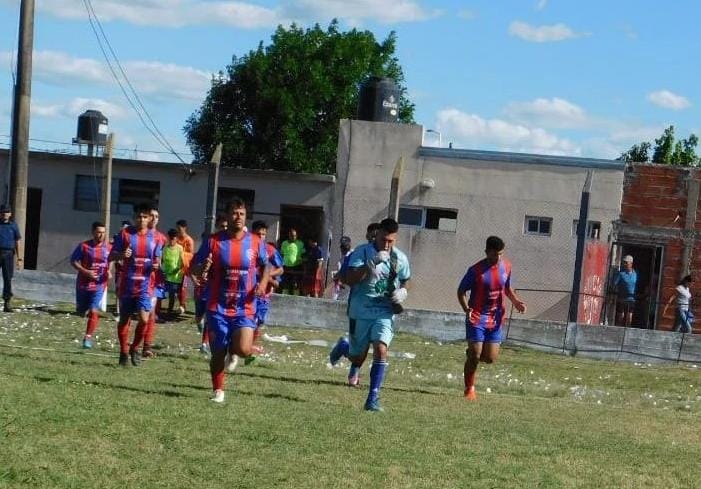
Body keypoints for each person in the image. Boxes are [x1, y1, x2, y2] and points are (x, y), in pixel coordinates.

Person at [191, 199, 269, 403]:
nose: (238, 217)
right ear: (227, 216)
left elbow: (266, 266)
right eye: (234, 213)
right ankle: (218, 390)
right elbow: (194, 268)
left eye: (241, 213)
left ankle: (233, 351)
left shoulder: (255, 241)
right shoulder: (214, 241)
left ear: (246, 216)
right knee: (217, 353)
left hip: (245, 306)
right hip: (218, 306)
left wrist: (262, 283)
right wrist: (203, 267)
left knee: (243, 350)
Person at [329, 218, 410, 412]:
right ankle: (345, 347)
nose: (386, 245)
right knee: (357, 358)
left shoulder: (400, 258)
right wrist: (369, 264)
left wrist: (403, 292)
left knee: (381, 349)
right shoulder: (361, 252)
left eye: (391, 241)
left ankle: (372, 398)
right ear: (377, 235)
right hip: (360, 311)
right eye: (383, 240)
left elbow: (406, 279)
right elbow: (349, 280)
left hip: (384, 312)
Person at [457, 236, 527, 401]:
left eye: (501, 254)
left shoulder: (507, 266)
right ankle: (469, 388)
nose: (498, 257)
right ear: (487, 252)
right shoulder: (475, 270)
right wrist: (466, 309)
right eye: (495, 254)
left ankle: (473, 353)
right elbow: (461, 291)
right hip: (477, 316)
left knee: (490, 358)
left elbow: (507, 288)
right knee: (475, 354)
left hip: (495, 318)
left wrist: (516, 302)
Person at [109, 203, 163, 367]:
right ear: (134, 217)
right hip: (127, 285)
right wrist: (121, 254)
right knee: (124, 320)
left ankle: (135, 348)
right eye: (139, 216)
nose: (141, 219)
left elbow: (158, 260)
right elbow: (111, 255)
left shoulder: (157, 238)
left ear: (149, 219)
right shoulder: (125, 234)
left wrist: (157, 265)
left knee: (144, 320)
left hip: (145, 286)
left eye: (145, 217)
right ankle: (123, 352)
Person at [70, 221, 112, 348]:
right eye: (99, 232)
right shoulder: (83, 246)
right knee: (81, 311)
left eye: (103, 233)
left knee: (94, 310)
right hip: (83, 284)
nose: (101, 235)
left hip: (99, 284)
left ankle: (88, 338)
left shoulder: (108, 247)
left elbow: (111, 260)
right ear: (93, 232)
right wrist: (86, 271)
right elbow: (73, 261)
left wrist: (109, 270)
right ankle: (82, 309)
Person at [142, 208, 168, 358]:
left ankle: (147, 345)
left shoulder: (161, 238)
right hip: (136, 279)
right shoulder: (136, 235)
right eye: (151, 215)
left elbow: (161, 259)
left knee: (151, 313)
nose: (154, 218)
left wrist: (160, 267)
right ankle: (129, 345)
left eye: (157, 216)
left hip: (153, 282)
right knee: (133, 315)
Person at [0, 204, 22, 312]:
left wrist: (19, 258)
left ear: (10, 214)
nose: (5, 214)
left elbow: (18, 241)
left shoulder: (13, 226)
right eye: (3, 212)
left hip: (8, 254)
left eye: (7, 212)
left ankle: (7, 303)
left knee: (8, 279)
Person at [162, 228, 185, 316]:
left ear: (176, 238)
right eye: (170, 238)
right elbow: (162, 260)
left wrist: (177, 270)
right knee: (168, 294)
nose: (171, 240)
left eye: (173, 238)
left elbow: (182, 262)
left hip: (176, 276)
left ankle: (172, 309)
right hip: (167, 275)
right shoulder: (165, 248)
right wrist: (163, 271)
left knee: (174, 294)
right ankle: (169, 310)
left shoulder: (180, 248)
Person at [175, 219, 195, 314]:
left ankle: (182, 306)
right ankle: (181, 305)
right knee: (177, 287)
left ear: (184, 228)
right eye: (177, 228)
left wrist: (181, 254)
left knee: (183, 287)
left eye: (179, 228)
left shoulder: (189, 240)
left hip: (184, 268)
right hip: (175, 267)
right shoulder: (176, 239)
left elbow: (190, 255)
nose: (178, 230)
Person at [112, 220, 131, 316]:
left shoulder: (133, 240)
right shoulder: (118, 238)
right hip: (120, 269)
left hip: (129, 270)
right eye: (123, 228)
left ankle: (126, 309)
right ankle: (118, 310)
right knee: (118, 289)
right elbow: (113, 254)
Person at [613, 255, 637, 327]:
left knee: (629, 318)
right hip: (622, 299)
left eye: (626, 262)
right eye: (624, 262)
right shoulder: (621, 274)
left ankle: (628, 332)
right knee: (620, 318)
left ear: (631, 263)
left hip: (631, 299)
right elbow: (614, 284)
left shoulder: (635, 274)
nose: (625, 264)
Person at [280, 228, 304, 294]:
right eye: (292, 235)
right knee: (285, 284)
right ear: (289, 235)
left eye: (295, 236)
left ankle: (296, 299)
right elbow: (281, 254)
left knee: (295, 284)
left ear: (297, 236)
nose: (293, 237)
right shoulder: (284, 243)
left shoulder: (300, 243)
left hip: (296, 267)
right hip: (286, 266)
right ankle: (284, 299)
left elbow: (304, 254)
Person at [332, 236, 353, 301]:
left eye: (344, 246)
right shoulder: (342, 259)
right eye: (342, 246)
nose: (342, 248)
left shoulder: (352, 255)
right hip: (340, 287)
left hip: (348, 286)